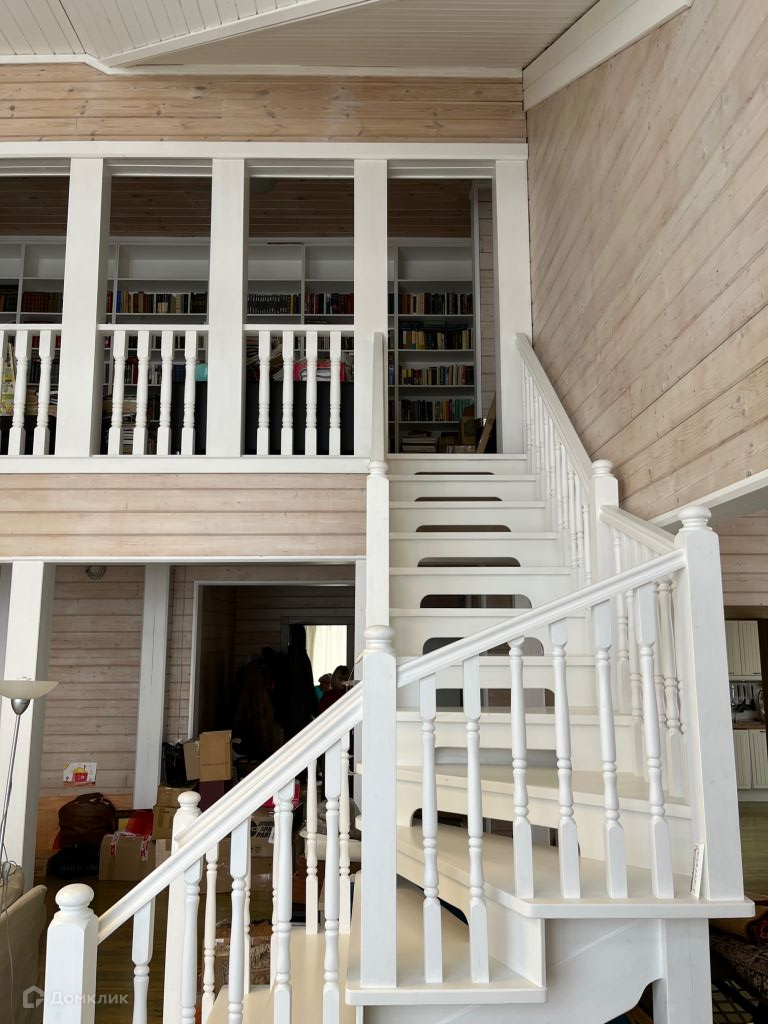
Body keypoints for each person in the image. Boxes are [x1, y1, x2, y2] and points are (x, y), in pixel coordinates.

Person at [283, 624, 317, 739]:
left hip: (289, 707)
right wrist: (314, 708)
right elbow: (309, 684)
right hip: (302, 707)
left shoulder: (289, 658)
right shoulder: (304, 658)